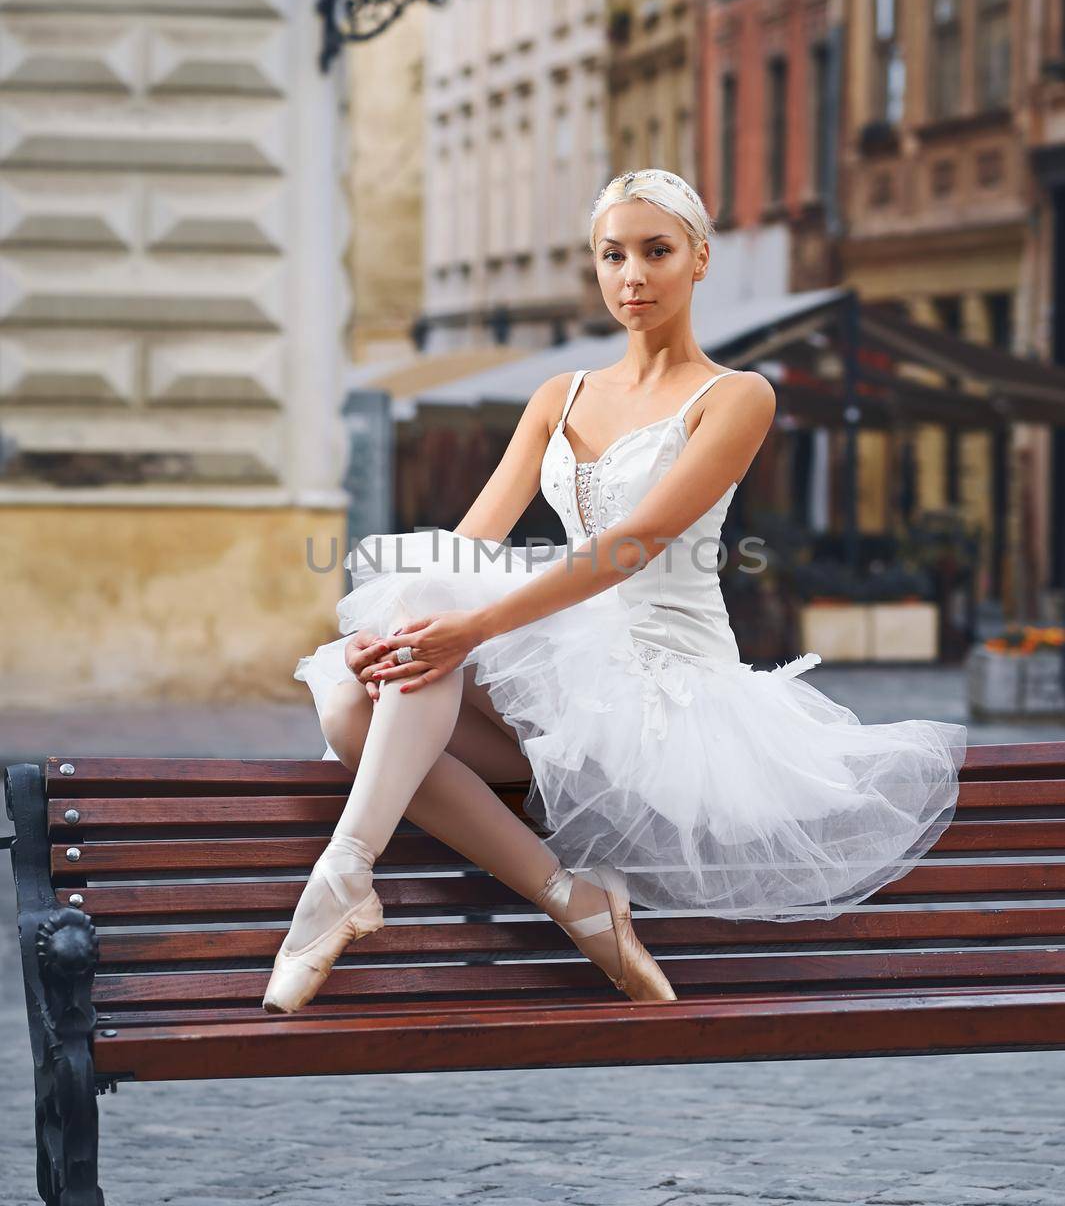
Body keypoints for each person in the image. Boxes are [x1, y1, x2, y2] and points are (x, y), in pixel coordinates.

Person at [263, 167, 968, 1016]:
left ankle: (342, 877)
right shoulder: (557, 397)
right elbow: (472, 542)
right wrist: (406, 632)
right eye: (612, 255)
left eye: (655, 251)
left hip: (663, 694)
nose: (631, 275)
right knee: (350, 697)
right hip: (564, 681)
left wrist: (465, 627)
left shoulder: (735, 396)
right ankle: (566, 899)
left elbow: (627, 551)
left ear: (699, 259)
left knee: (409, 658)